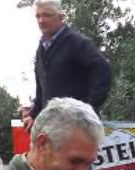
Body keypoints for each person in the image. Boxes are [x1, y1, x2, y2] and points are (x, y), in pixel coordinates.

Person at [23, 0, 112, 130]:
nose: (41, 20)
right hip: (53, 126)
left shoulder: (77, 42)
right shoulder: (42, 47)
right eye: (38, 16)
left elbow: (103, 71)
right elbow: (41, 87)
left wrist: (87, 110)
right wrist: (34, 114)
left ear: (61, 17)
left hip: (77, 127)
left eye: (47, 15)